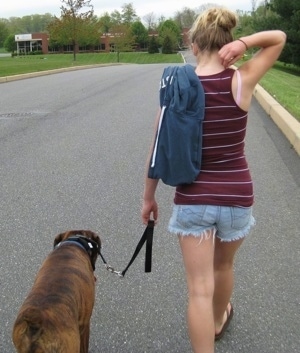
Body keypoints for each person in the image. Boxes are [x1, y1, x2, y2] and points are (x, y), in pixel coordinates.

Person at [141, 7, 286, 353]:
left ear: (193, 44)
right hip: (237, 195)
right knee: (224, 266)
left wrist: (148, 198)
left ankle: (209, 330)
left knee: (198, 290)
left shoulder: (177, 89)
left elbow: (158, 149)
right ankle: (219, 320)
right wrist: (247, 44)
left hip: (194, 200)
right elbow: (278, 38)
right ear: (228, 43)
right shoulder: (240, 80)